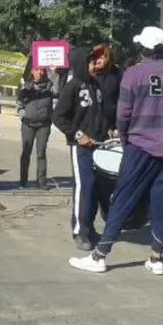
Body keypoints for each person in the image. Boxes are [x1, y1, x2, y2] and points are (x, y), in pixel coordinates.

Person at [70, 26, 163, 276]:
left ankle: (99, 255)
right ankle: (157, 257)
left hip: (139, 146)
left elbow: (123, 114)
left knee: (123, 199)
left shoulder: (134, 75)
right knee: (162, 201)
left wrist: (125, 138)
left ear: (142, 48)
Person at [54, 47, 110, 251]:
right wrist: (79, 135)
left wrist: (108, 130)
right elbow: (58, 117)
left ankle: (89, 226)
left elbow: (99, 114)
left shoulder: (95, 84)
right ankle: (79, 231)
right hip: (81, 148)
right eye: (91, 61)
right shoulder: (72, 86)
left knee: (95, 188)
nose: (95, 64)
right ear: (80, 64)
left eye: (95, 61)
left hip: (99, 146)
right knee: (84, 187)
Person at [16, 67, 57, 189]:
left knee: (41, 153)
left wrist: (56, 73)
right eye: (37, 70)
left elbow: (58, 90)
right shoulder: (26, 86)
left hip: (43, 125)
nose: (40, 72)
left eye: (42, 70)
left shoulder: (50, 86)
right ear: (32, 72)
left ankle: (42, 181)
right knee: (26, 152)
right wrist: (23, 113)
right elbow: (19, 103)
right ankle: (23, 180)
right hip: (27, 125)